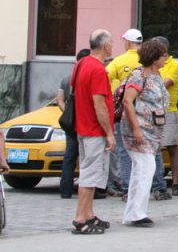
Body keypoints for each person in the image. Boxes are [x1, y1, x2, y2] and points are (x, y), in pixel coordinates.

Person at [120, 38, 169, 227]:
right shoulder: (139, 75)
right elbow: (127, 101)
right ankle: (136, 213)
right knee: (146, 168)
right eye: (163, 54)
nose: (166, 58)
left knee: (141, 170)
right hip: (138, 130)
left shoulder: (156, 75)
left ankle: (133, 212)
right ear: (154, 56)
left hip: (152, 130)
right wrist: (136, 129)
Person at [71, 29, 116, 235]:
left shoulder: (81, 63)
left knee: (89, 171)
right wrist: (109, 132)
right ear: (106, 46)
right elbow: (99, 104)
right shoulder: (98, 70)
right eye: (111, 44)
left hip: (82, 126)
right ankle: (81, 218)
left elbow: (75, 90)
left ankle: (89, 214)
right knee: (90, 175)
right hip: (94, 129)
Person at [106, 28, 143, 196]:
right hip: (144, 112)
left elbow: (104, 77)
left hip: (125, 112)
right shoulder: (146, 60)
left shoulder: (119, 61)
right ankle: (141, 185)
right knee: (143, 152)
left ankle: (127, 186)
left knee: (123, 150)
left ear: (127, 42)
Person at [57, 48, 91, 199]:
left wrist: (68, 112)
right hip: (86, 121)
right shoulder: (89, 75)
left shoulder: (67, 78)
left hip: (70, 123)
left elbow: (59, 99)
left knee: (70, 155)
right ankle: (87, 189)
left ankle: (65, 189)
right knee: (87, 155)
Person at [153, 35, 178, 197]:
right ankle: (156, 181)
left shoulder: (174, 65)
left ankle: (176, 182)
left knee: (171, 145)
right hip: (153, 109)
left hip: (168, 110)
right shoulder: (152, 64)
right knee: (154, 147)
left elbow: (165, 84)